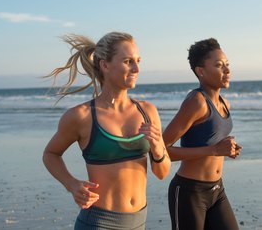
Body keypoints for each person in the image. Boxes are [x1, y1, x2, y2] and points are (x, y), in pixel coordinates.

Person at [42, 32, 171, 230]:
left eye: (138, 61)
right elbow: (50, 154)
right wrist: (71, 184)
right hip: (98, 223)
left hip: (139, 222)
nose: (136, 68)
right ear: (105, 65)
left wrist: (157, 149)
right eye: (128, 61)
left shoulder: (148, 111)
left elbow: (162, 173)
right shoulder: (82, 116)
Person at [163, 38, 242, 230]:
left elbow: (210, 140)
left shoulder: (224, 103)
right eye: (219, 65)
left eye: (227, 65)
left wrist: (226, 149)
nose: (227, 71)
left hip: (216, 189)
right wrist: (214, 150)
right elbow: (162, 150)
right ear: (201, 71)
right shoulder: (196, 102)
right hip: (190, 192)